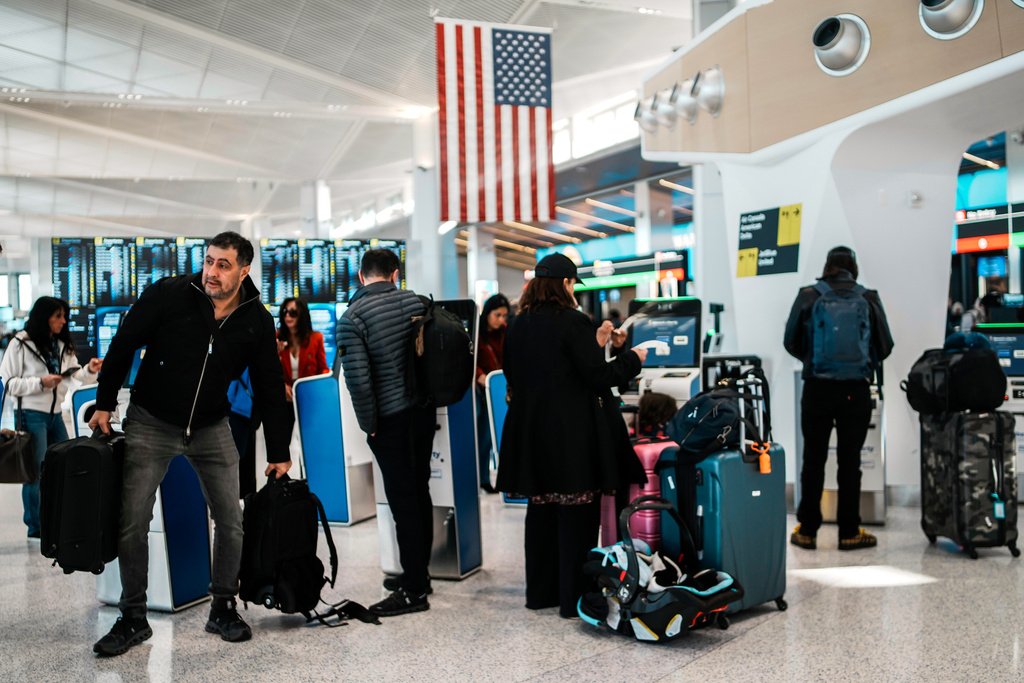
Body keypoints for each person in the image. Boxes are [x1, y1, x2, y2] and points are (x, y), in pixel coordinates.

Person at [89, 232, 291, 657]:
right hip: (151, 420)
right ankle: (132, 617)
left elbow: (271, 387)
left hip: (211, 426)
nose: (212, 272)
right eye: (209, 261)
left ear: (244, 270)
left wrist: (279, 451)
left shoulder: (256, 319)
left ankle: (222, 607)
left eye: (223, 265)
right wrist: (105, 402)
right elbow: (125, 343)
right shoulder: (171, 294)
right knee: (132, 521)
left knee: (230, 520)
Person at [496, 253, 648, 619]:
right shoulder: (573, 321)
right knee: (578, 515)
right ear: (566, 284)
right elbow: (596, 377)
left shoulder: (517, 324)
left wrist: (595, 343)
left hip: (532, 436)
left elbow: (527, 371)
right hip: (571, 438)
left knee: (542, 513)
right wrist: (634, 358)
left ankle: (540, 595)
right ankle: (573, 600)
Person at [336, 248, 436, 618]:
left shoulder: (353, 317)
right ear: (395, 274)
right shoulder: (417, 302)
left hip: (390, 420)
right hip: (422, 414)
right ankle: (418, 575)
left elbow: (360, 384)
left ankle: (413, 591)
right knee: (419, 491)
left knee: (402, 501)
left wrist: (371, 427)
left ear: (362, 276)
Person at [784, 246, 893, 551]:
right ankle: (848, 531)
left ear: (827, 265)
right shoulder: (867, 297)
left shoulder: (809, 295)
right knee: (850, 461)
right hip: (854, 389)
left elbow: (790, 340)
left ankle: (807, 529)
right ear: (853, 267)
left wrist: (814, 360)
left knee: (813, 458)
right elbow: (885, 345)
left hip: (817, 387)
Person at [0, 296, 102, 539]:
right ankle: (36, 526)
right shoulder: (20, 344)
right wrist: (40, 383)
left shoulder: (61, 343)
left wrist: (90, 369)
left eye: (64, 316)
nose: (63, 321)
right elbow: (8, 383)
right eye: (58, 316)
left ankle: (57, 520)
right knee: (35, 473)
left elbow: (75, 375)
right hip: (31, 414)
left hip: (55, 415)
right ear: (44, 317)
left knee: (63, 465)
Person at [277, 297, 329, 440]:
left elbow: (323, 369)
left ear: (302, 315)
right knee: (282, 441)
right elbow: (268, 371)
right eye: (285, 312)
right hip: (284, 399)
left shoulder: (316, 338)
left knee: (310, 440)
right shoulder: (277, 338)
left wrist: (321, 384)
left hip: (308, 398)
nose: (288, 316)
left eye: (293, 312)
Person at [475, 293, 510, 493]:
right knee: (485, 437)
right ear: (487, 313)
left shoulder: (505, 332)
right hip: (483, 390)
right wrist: (480, 376)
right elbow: (472, 361)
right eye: (497, 315)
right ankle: (483, 478)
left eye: (504, 316)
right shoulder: (477, 332)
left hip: (502, 387)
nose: (501, 320)